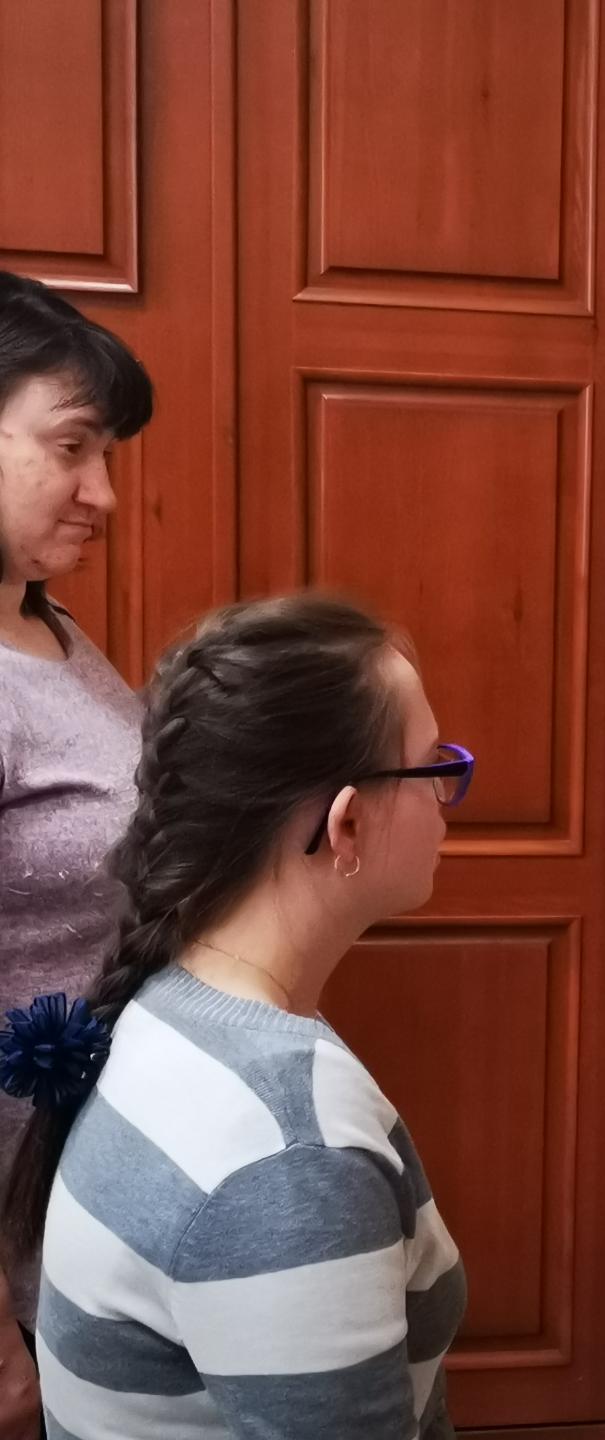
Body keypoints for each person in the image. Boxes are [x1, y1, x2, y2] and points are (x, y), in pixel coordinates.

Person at [1, 595, 472, 1438]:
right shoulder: (287, 1158)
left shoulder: (167, 1008)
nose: (447, 799)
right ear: (347, 823)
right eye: (434, 767)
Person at [0, 270, 153, 1435]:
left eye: (107, 453)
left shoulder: (47, 626)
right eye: (71, 448)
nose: (103, 491)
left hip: (60, 1191)